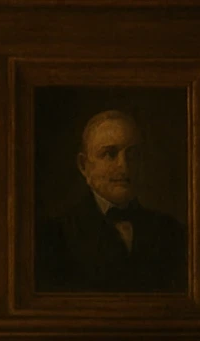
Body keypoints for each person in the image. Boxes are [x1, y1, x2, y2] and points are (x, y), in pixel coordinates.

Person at [37, 110, 186, 293]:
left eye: (132, 154)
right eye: (109, 154)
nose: (123, 166)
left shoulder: (171, 231)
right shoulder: (55, 236)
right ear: (84, 166)